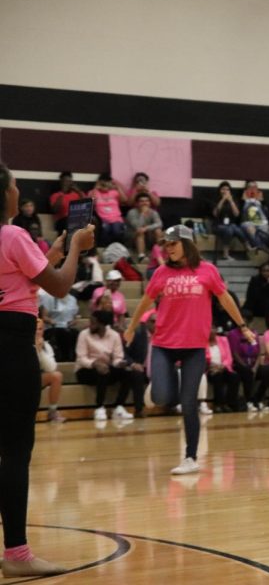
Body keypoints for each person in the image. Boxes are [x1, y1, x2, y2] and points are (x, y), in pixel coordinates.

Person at [0, 164, 94, 577]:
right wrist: (75, 248)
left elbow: (23, 277)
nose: (19, 189)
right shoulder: (13, 234)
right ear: (4, 194)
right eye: (15, 184)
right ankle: (17, 554)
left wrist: (51, 254)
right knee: (15, 452)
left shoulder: (16, 241)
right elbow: (58, 286)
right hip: (11, 346)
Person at [124, 225, 251, 476]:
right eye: (166, 244)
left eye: (173, 243)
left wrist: (243, 326)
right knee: (161, 399)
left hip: (194, 347)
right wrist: (130, 328)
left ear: (187, 244)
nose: (168, 248)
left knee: (189, 403)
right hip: (163, 345)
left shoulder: (208, 271)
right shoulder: (161, 272)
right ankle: (170, 381)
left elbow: (225, 300)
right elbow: (145, 302)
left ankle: (190, 457)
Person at [75, 310, 144, 421]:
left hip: (106, 368)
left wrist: (120, 363)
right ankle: (99, 407)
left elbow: (117, 357)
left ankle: (119, 407)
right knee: (103, 370)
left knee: (128, 371)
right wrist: (95, 363)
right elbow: (81, 358)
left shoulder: (114, 335)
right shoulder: (84, 335)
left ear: (102, 324)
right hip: (85, 370)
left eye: (93, 322)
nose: (90, 325)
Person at [228, 308, 262, 412]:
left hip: (252, 363)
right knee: (247, 373)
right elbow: (234, 353)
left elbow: (258, 352)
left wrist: (255, 367)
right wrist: (245, 366)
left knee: (265, 372)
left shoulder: (254, 333)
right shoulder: (233, 334)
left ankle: (260, 399)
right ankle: (250, 401)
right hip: (239, 363)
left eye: (245, 319)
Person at [35, 319, 66, 423]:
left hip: (35, 377)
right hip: (20, 377)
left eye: (39, 329)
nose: (37, 332)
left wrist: (40, 351)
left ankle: (52, 411)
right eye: (34, 329)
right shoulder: (22, 343)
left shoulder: (46, 345)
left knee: (57, 376)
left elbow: (51, 368)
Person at [38, 288, 80, 361]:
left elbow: (76, 317)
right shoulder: (49, 298)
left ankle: (73, 358)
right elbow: (44, 317)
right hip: (53, 327)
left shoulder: (72, 299)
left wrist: (74, 321)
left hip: (67, 327)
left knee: (76, 333)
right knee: (64, 334)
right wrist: (52, 321)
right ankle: (64, 358)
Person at [206, 327, 241, 412]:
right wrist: (212, 366)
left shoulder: (223, 339)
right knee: (218, 376)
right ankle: (218, 404)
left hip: (224, 367)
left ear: (216, 330)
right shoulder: (202, 342)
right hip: (210, 369)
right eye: (209, 329)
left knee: (234, 377)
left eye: (212, 328)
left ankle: (230, 403)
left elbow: (229, 357)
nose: (211, 331)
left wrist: (222, 366)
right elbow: (203, 358)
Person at [211, 181, 247, 261]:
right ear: (219, 190)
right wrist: (223, 199)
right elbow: (215, 213)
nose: (225, 191)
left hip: (230, 225)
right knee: (229, 229)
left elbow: (236, 214)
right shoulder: (216, 199)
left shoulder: (233, 200)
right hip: (217, 225)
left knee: (235, 228)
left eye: (227, 190)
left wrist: (231, 201)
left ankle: (247, 247)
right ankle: (226, 254)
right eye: (223, 189)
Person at [89, 173, 128, 246]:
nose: (105, 185)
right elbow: (92, 203)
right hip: (102, 219)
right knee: (105, 230)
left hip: (116, 219)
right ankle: (104, 248)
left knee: (116, 231)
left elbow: (125, 200)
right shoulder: (94, 192)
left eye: (107, 182)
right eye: (103, 182)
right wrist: (95, 188)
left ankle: (116, 248)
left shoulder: (114, 192)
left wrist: (117, 187)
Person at [125, 192, 163, 262]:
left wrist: (146, 228)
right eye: (141, 201)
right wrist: (142, 214)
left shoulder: (153, 212)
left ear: (150, 203)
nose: (145, 203)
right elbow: (137, 226)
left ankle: (160, 253)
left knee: (158, 230)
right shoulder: (132, 213)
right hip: (133, 239)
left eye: (147, 201)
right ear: (137, 203)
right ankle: (141, 256)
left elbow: (159, 223)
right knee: (140, 232)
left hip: (148, 238)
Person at [49, 171, 84, 235]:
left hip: (76, 219)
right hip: (61, 221)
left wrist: (78, 191)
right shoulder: (55, 195)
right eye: (65, 181)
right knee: (68, 221)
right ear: (61, 182)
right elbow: (55, 210)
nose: (67, 183)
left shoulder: (76, 194)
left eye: (69, 181)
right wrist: (62, 193)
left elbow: (87, 203)